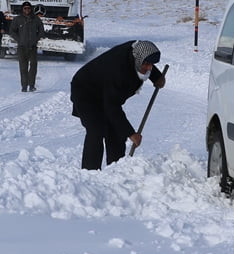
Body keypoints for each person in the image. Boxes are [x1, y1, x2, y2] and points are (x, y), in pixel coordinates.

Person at [70, 40, 166, 170]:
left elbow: (145, 59)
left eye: (152, 65)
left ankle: (116, 170)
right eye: (147, 64)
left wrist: (156, 76)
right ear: (137, 60)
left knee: (115, 131)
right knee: (96, 130)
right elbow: (112, 107)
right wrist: (131, 133)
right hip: (86, 91)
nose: (149, 68)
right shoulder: (119, 71)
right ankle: (89, 173)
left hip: (105, 88)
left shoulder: (137, 52)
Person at [9, 1, 45, 91]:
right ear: (22, 9)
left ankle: (32, 85)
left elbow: (41, 31)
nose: (27, 10)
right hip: (22, 47)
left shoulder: (36, 19)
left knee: (33, 66)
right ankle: (24, 86)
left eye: (28, 8)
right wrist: (19, 39)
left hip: (32, 47)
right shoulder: (18, 19)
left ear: (31, 9)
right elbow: (12, 31)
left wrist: (36, 39)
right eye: (25, 8)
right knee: (23, 67)